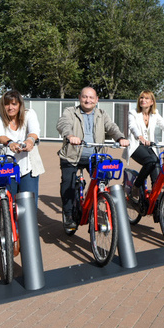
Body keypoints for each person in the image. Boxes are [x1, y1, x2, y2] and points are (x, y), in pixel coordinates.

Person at [57, 87, 129, 230]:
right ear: (79, 98)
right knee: (68, 185)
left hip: (95, 156)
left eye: (91, 97)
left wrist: (120, 137)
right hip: (72, 156)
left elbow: (111, 127)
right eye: (85, 97)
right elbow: (63, 124)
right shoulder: (70, 112)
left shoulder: (102, 114)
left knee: (103, 178)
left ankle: (93, 205)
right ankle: (69, 215)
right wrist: (70, 136)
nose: (88, 100)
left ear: (96, 100)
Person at [125, 90, 164, 201]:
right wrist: (140, 137)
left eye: (146, 98)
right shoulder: (133, 113)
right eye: (142, 98)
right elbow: (132, 126)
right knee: (150, 161)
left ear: (152, 102)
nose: (143, 100)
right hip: (136, 145)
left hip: (150, 146)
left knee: (156, 170)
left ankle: (155, 201)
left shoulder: (155, 113)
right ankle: (136, 186)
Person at [0, 90, 44, 210]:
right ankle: (7, 227)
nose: (10, 107)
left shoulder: (29, 114)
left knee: (29, 206)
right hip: (5, 166)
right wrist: (10, 143)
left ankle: (26, 228)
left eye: (14, 104)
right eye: (7, 104)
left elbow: (34, 130)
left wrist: (30, 140)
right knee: (7, 204)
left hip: (28, 166)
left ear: (20, 105)